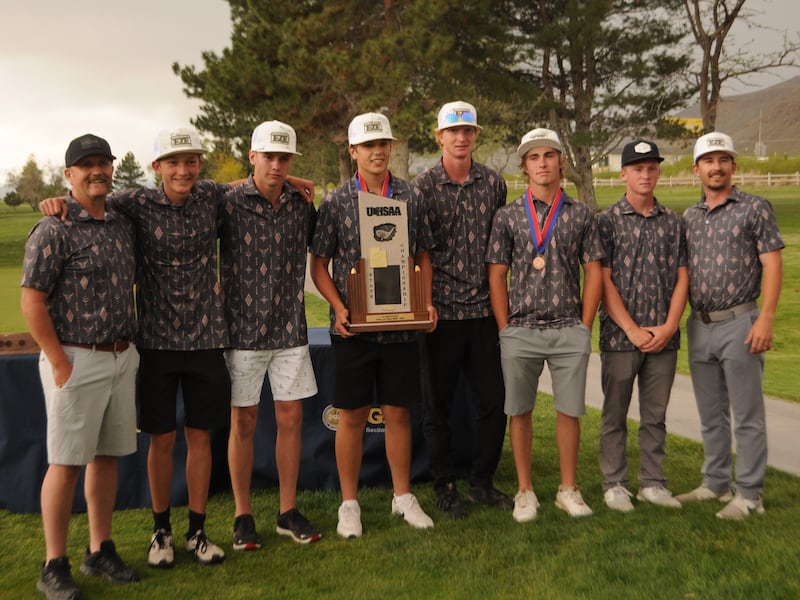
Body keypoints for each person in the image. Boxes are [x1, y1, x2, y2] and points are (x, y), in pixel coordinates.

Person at [22, 134, 140, 599]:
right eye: (85, 165)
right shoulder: (54, 228)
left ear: (112, 168)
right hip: (75, 358)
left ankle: (99, 549)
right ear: (68, 175)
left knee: (106, 458)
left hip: (121, 355)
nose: (97, 171)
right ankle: (53, 565)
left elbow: (192, 184)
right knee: (66, 463)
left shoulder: (121, 220)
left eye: (103, 163)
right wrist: (58, 361)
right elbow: (32, 301)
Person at [310, 112, 436, 538]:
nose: (378, 151)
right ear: (353, 151)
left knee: (399, 412)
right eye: (368, 145)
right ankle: (349, 504)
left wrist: (425, 300)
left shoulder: (411, 195)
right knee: (352, 416)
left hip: (400, 325)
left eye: (383, 144)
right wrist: (338, 307)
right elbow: (319, 265)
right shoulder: (336, 201)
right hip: (354, 328)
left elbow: (422, 256)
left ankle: (403, 496)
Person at [486, 128, 604, 522]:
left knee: (569, 411)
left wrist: (585, 326)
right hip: (521, 328)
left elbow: (594, 271)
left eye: (549, 155)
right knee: (519, 411)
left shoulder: (581, 214)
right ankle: (525, 491)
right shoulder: (507, 216)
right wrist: (505, 328)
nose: (542, 163)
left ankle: (568, 489)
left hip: (568, 326)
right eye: (534, 157)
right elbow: (496, 275)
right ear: (524, 166)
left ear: (561, 161)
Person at [220, 121, 320, 549]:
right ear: (252, 156)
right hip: (240, 331)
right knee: (243, 422)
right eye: (269, 157)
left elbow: (325, 248)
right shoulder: (226, 201)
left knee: (291, 420)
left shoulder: (302, 205)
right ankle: (243, 514)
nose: (276, 165)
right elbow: (190, 191)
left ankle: (287, 510)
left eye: (284, 158)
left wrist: (294, 184)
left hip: (289, 329)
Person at [675, 132, 784, 520]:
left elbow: (773, 264)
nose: (716, 167)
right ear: (696, 170)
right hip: (700, 324)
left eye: (723, 160)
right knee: (711, 412)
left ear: (733, 166)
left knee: (747, 414)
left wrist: (766, 318)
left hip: (741, 322)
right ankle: (716, 482)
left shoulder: (755, 208)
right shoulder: (690, 217)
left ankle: (750, 494)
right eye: (708, 161)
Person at [413, 101, 511, 518]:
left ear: (475, 135)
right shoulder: (422, 187)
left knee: (494, 402)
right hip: (441, 314)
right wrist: (425, 302)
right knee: (438, 407)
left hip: (484, 312)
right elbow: (418, 252)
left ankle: (482, 482)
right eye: (453, 131)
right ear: (440, 137)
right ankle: (445, 484)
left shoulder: (494, 183)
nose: (461, 137)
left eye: (467, 131)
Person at [596, 140, 688, 512]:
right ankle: (615, 483)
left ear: (658, 172)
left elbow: (683, 277)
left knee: (655, 416)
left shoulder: (674, 222)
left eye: (651, 168)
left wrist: (669, 326)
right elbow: (602, 281)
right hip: (620, 337)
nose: (645, 175)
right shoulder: (606, 220)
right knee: (614, 415)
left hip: (664, 337)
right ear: (624, 174)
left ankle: (653, 482)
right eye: (638, 169)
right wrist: (632, 329)